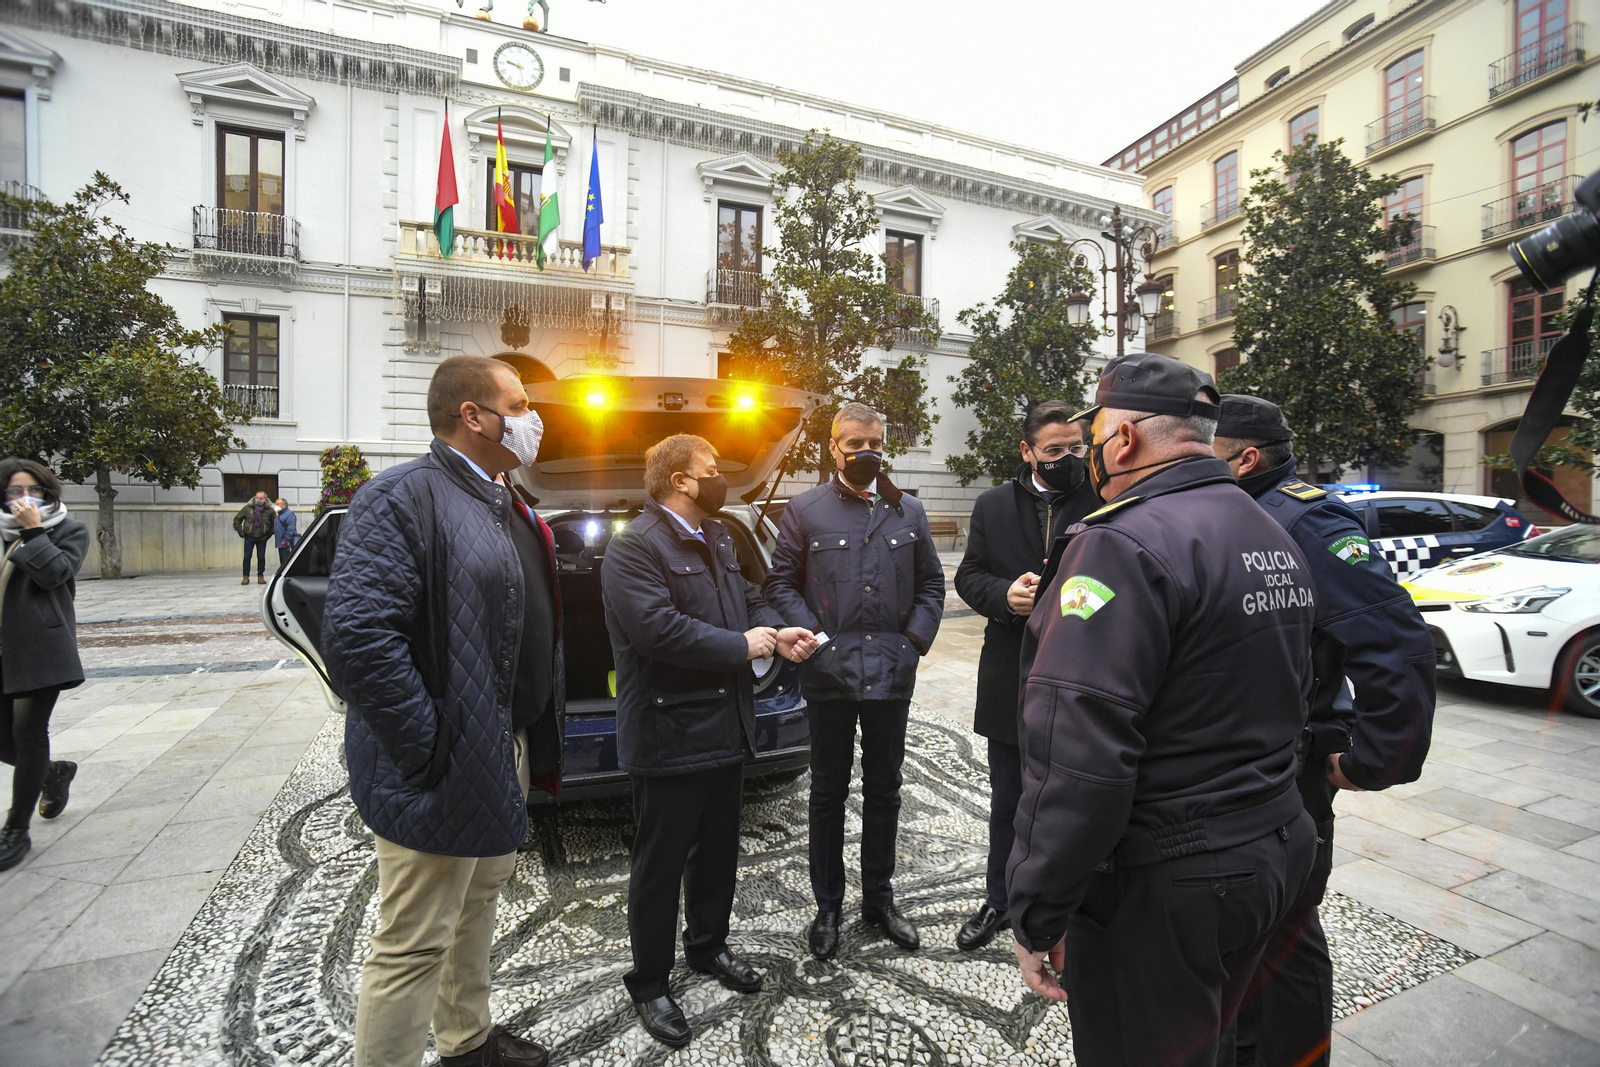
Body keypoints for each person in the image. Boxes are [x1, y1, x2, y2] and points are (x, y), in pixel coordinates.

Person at [1007, 354, 1318, 1067]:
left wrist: (1038, 909)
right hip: (1268, 847)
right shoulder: (1266, 526)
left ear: (1119, 442)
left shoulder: (1118, 543)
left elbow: (1079, 749)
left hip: (1168, 880)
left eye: (1092, 442)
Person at [322, 355, 560, 1067]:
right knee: (413, 939)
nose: (532, 417)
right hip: (440, 761)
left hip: (495, 748)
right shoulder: (402, 495)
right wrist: (429, 747)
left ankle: (467, 1041)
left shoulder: (500, 495)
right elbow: (359, 639)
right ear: (473, 415)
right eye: (518, 404)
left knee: (477, 904)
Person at [1213, 394, 1435, 1067]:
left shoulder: (1305, 520)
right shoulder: (1241, 511)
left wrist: (1372, 759)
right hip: (1239, 768)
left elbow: (1394, 641)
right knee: (1245, 943)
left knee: (1285, 943)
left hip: (1291, 769)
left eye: (1206, 451)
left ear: (1246, 457)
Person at [601, 433, 819, 1047]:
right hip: (668, 734)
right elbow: (657, 630)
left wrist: (778, 631)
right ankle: (648, 982)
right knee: (659, 864)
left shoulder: (718, 537)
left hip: (725, 727)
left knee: (719, 850)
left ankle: (707, 949)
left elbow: (747, 599)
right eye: (712, 470)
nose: (721, 479)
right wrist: (741, 645)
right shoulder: (635, 547)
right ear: (679, 481)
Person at [765, 402, 946, 960]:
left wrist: (912, 644)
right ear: (833, 447)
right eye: (856, 444)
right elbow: (780, 586)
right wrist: (818, 643)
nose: (868, 452)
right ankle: (828, 906)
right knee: (827, 792)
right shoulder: (804, 509)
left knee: (885, 790)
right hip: (830, 677)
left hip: (891, 677)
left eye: (875, 442)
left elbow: (932, 586)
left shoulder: (907, 511)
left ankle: (880, 900)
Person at [951, 401, 1100, 950]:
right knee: (1008, 799)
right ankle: (999, 898)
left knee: (1074, 799)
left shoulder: (1104, 501)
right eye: (1055, 450)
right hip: (1011, 679)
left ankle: (1065, 901)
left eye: (1076, 448)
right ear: (1027, 451)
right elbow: (969, 575)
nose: (1067, 458)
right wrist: (1004, 596)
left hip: (1082, 677)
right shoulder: (993, 505)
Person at [0, 458, 89, 872]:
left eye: (32, 491)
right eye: (15, 492)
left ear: (47, 492)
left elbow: (55, 574)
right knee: (6, 739)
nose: (24, 499)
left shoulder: (68, 530)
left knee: (28, 733)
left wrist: (34, 531)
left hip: (40, 646)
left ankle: (16, 831)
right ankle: (52, 773)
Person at [234, 490, 275, 586]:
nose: (258, 500)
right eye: (256, 498)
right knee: (247, 556)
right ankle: (245, 576)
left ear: (265, 499)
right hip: (249, 536)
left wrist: (268, 535)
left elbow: (275, 523)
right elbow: (237, 519)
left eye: (260, 498)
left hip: (262, 537)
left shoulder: (270, 510)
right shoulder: (248, 508)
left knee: (261, 557)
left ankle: (260, 576)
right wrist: (240, 531)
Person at [273, 498, 299, 573]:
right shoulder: (280, 515)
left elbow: (291, 528)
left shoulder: (289, 514)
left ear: (284, 505)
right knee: (282, 561)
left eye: (278, 504)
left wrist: (286, 540)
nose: (276, 506)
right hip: (280, 543)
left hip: (286, 543)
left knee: (286, 561)